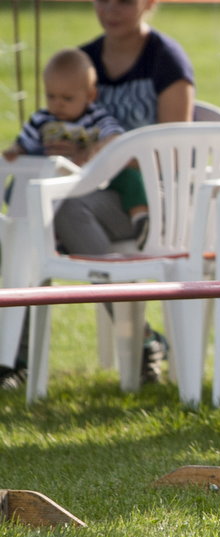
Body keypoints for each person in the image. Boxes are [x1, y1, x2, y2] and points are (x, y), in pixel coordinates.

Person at [0, 0, 195, 389]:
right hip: (82, 189)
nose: (110, 8)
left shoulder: (166, 61)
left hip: (146, 198)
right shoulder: (81, 60)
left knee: (60, 211)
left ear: (149, 4)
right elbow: (52, 125)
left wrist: (104, 160)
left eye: (124, 0)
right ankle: (12, 357)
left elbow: (174, 151)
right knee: (23, 219)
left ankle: (136, 338)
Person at [2, 48, 148, 239]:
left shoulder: (95, 117)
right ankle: (40, 233)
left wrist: (92, 149)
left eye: (67, 98)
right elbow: (26, 140)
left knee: (130, 177)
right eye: (51, 96)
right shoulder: (43, 118)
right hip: (55, 175)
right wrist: (16, 149)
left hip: (94, 175)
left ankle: (141, 218)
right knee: (22, 185)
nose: (58, 104)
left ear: (90, 96)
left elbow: (116, 136)